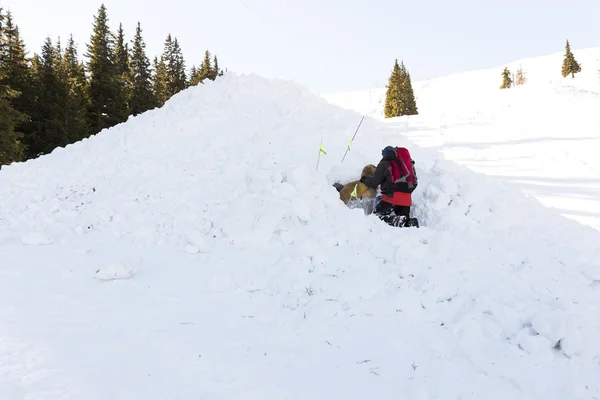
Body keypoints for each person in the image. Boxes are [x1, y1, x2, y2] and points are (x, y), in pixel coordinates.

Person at [360, 145, 418, 228]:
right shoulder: (407, 165)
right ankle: (410, 222)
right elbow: (413, 182)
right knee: (404, 222)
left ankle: (394, 220)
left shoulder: (385, 163)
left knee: (376, 219)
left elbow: (374, 182)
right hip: (406, 200)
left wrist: (364, 179)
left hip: (391, 198)